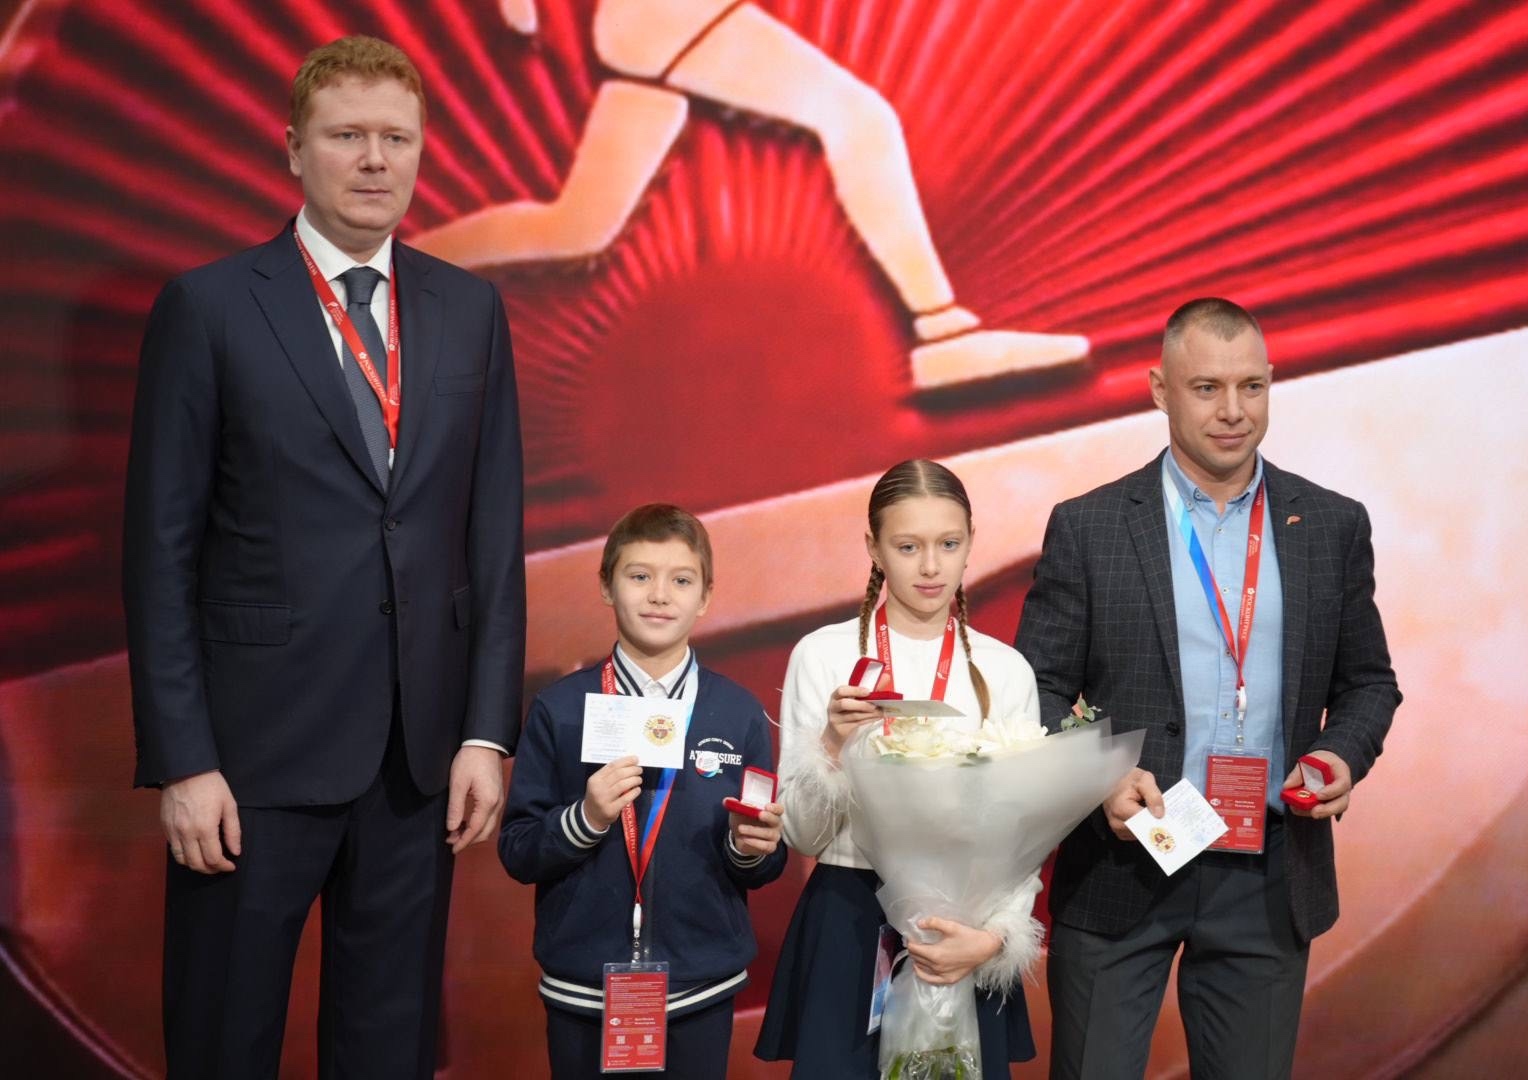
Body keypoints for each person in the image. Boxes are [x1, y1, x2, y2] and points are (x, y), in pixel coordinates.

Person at [121, 35, 525, 1079]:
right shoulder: (209, 307)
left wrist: (485, 733)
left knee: (388, 1051)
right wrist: (184, 761)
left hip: (415, 766)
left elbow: (492, 539)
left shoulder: (469, 310)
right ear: (294, 150)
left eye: (397, 138)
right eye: (347, 136)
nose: (375, 160)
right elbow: (159, 553)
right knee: (222, 1043)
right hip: (247, 764)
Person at [1015, 297, 1402, 1078]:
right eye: (1207, 388)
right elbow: (1036, 691)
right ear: (1160, 390)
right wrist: (1098, 778)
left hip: (1269, 871)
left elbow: (1368, 683)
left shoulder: (1332, 525)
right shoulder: (1089, 527)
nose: (1233, 411)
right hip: (1123, 861)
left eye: (1251, 386)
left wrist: (1338, 756)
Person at [412, 0, 1090, 389]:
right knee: (857, 117)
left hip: (645, 23)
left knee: (578, 226)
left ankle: (391, 265)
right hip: (673, 14)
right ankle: (941, 329)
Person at [757, 459, 1043, 1078]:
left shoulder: (1006, 669)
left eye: (949, 544)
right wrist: (832, 743)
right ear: (874, 548)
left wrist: (996, 938)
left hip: (966, 926)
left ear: (972, 541)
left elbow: (1023, 837)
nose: (931, 566)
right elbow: (803, 834)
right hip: (851, 916)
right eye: (908, 547)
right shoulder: (824, 655)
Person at [499, 503, 786, 1080]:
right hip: (584, 986)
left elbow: (765, 862)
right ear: (607, 586)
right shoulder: (561, 709)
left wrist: (750, 847)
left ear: (705, 597)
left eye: (681, 580)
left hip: (701, 985)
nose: (659, 595)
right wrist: (586, 817)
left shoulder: (737, 712)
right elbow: (518, 849)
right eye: (639, 576)